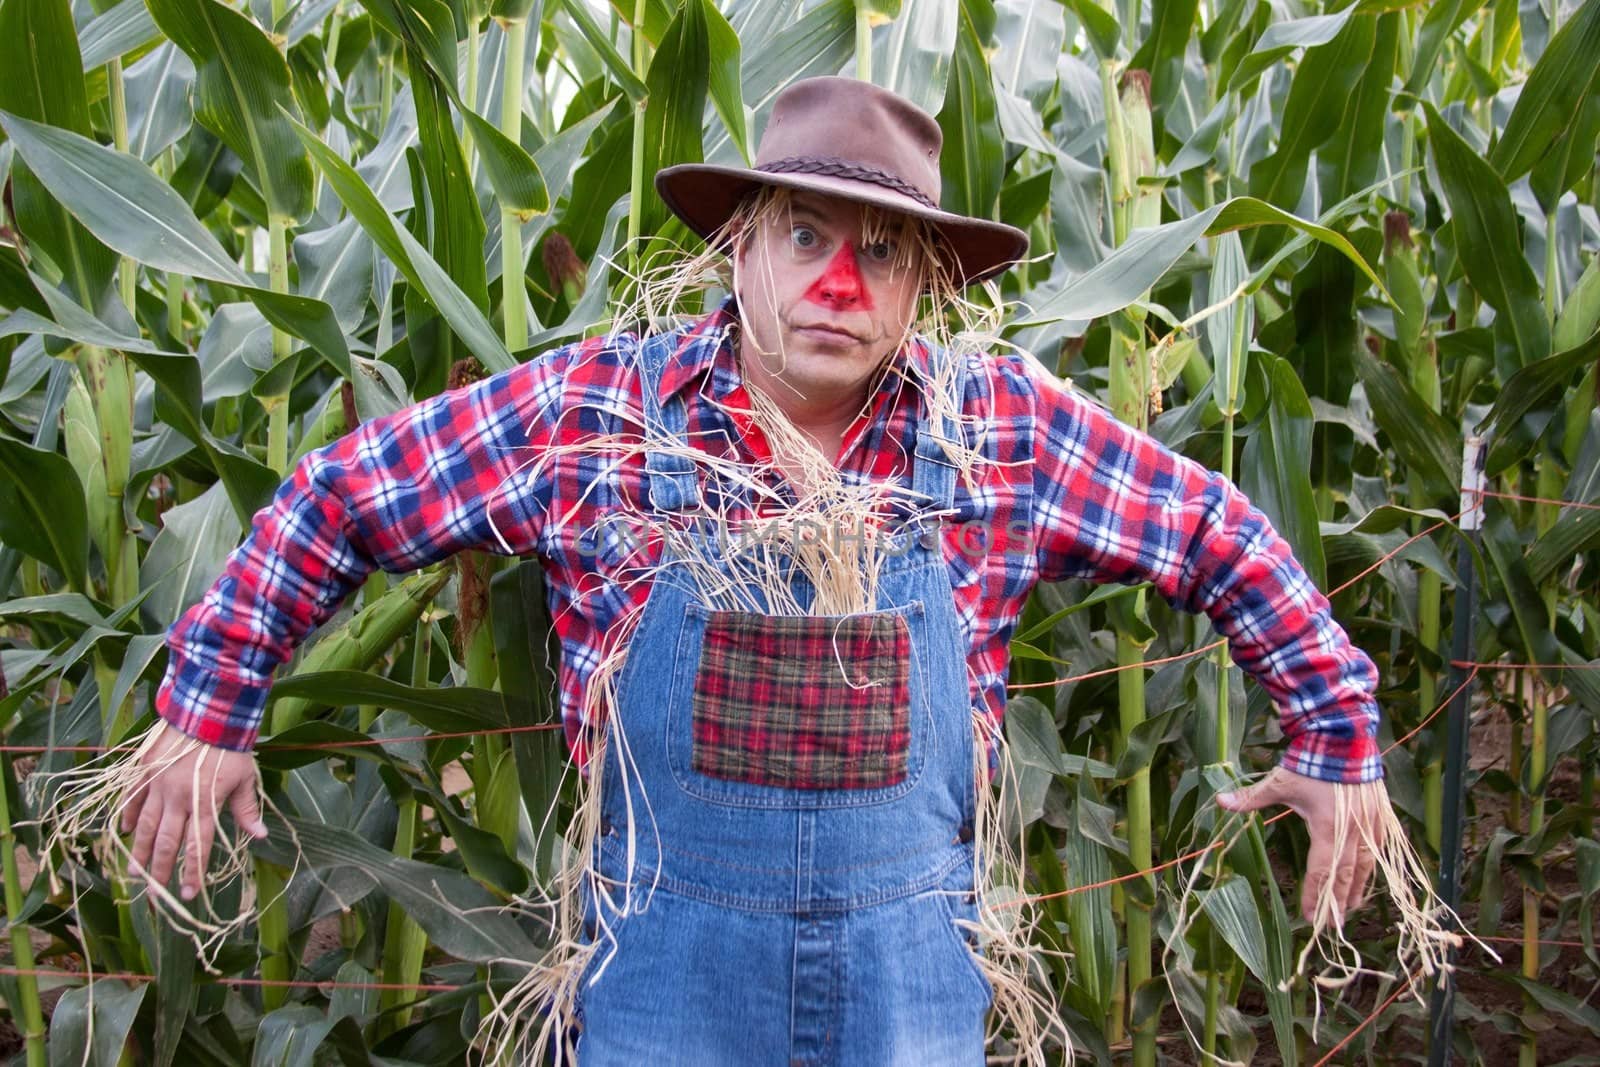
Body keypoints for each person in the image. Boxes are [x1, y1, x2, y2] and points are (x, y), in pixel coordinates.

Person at [116, 76, 1402, 1062]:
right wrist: (214, 700)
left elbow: (1217, 529)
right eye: (804, 235)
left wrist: (1335, 735)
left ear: (926, 286)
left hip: (913, 997)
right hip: (665, 989)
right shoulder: (599, 417)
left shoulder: (999, 432)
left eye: (882, 251)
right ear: (735, 245)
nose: (839, 282)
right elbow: (345, 495)